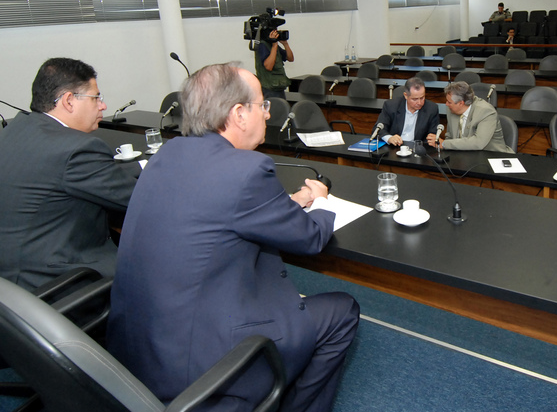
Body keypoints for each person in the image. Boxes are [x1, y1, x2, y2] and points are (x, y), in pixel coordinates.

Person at [107, 63, 359, 412]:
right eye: (262, 105)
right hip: (202, 367)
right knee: (343, 310)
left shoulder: (167, 154)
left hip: (142, 350)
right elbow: (311, 238)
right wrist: (320, 201)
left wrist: (290, 202)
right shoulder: (247, 170)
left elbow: (216, 209)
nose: (267, 114)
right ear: (239, 114)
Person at [0, 58, 139, 290]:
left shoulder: (16, 129)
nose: (103, 106)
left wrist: (137, 168)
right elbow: (141, 200)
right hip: (58, 282)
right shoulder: (76, 149)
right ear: (69, 101)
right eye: (96, 98)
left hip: (13, 283)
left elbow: (67, 175)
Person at [427, 81, 512, 153]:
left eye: (449, 102)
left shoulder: (486, 111)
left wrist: (444, 144)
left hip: (492, 156)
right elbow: (450, 136)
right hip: (465, 156)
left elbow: (478, 142)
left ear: (461, 103)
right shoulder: (451, 109)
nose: (446, 104)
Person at [376, 76, 439, 146]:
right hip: (394, 147)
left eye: (422, 98)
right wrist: (389, 138)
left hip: (417, 148)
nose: (419, 103)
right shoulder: (391, 106)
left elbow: (432, 136)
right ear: (406, 95)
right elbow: (378, 129)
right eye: (415, 99)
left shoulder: (432, 109)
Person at [255, 29, 294, 99]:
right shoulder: (263, 45)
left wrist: (285, 44)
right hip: (269, 87)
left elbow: (290, 58)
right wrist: (274, 45)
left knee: (282, 105)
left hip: (279, 86)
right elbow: (268, 66)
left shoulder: (273, 46)